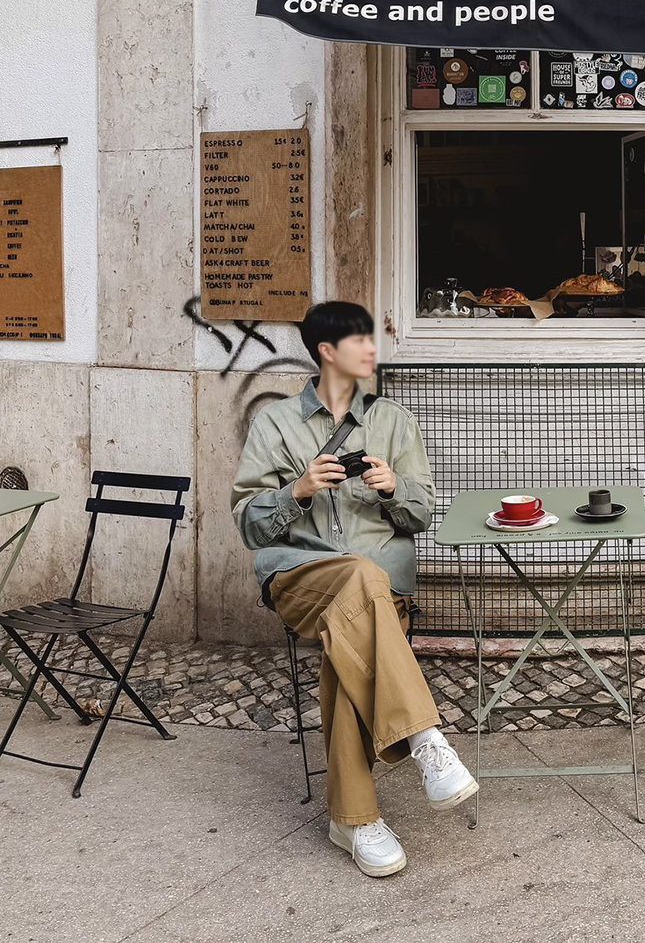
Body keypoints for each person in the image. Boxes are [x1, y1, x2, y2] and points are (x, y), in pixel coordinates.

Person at [230, 300, 477, 877]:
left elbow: (422, 515)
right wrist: (298, 490)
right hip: (302, 575)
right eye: (361, 341)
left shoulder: (393, 420)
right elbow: (246, 523)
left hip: (377, 588)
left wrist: (395, 489)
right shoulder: (275, 424)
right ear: (326, 352)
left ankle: (355, 818)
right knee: (361, 584)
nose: (373, 350)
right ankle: (424, 738)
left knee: (351, 638)